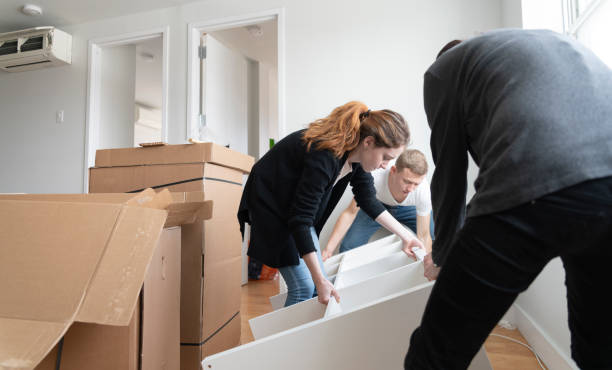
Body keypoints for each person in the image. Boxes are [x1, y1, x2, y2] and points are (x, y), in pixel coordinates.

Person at [403, 29, 612, 369]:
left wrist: (441, 257)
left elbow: (449, 174)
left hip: (535, 182)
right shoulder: (532, 47)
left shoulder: (440, 72)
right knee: (599, 347)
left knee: (437, 353)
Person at [237, 101, 424, 307]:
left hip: (295, 211)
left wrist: (406, 237)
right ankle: (289, 339)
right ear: (368, 142)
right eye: (386, 157)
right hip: (271, 205)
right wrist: (319, 280)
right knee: (305, 287)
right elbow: (301, 219)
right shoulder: (325, 154)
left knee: (318, 285)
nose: (385, 165)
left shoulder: (356, 157)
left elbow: (368, 200)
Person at [321, 149, 433, 261]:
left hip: (409, 209)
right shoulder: (375, 176)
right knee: (348, 246)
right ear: (393, 170)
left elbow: (423, 235)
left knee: (437, 238)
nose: (411, 189)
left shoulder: (423, 191)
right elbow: (350, 213)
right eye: (407, 181)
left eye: (416, 184)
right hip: (376, 206)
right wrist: (328, 250)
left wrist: (427, 264)